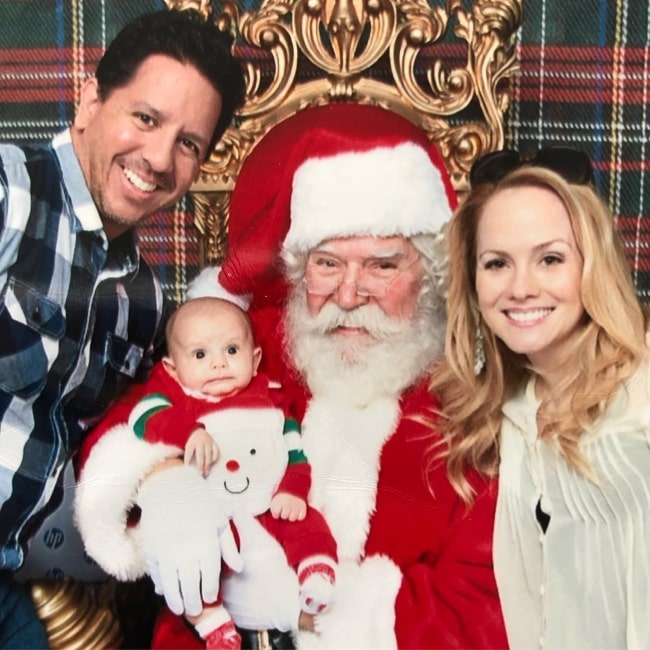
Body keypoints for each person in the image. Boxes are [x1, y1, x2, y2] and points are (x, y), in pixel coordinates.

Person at [76, 103, 508, 648]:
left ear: (428, 275)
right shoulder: (249, 348)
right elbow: (123, 424)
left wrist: (308, 614)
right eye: (328, 263)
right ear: (299, 268)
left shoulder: (471, 407)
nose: (349, 296)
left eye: (382, 265)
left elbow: (481, 608)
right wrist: (164, 481)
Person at [0, 8, 245, 648]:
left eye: (189, 144)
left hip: (18, 578)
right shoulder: (10, 192)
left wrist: (166, 470)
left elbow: (136, 425)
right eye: (146, 118)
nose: (159, 158)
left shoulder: (142, 301)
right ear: (89, 100)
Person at [431, 147, 650, 648]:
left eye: (550, 258)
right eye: (497, 263)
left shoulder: (641, 392)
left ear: (591, 264)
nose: (521, 287)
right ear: (473, 281)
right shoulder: (508, 416)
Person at [86, 296, 337, 648]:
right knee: (196, 562)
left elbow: (294, 451)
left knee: (306, 523)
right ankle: (208, 619)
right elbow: (143, 418)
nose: (219, 364)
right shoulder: (179, 399)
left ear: (255, 358)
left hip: (266, 504)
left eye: (232, 350)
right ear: (173, 369)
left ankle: (317, 568)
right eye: (200, 355)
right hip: (214, 514)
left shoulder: (272, 400)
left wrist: (292, 490)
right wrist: (187, 433)